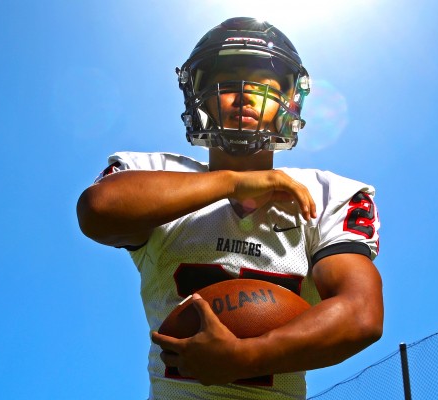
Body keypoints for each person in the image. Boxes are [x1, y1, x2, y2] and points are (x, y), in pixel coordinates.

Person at [77, 17, 383, 400]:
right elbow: (97, 210)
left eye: (264, 82)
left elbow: (361, 313)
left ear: (289, 102)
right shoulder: (154, 175)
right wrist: (233, 182)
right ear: (199, 96)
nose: (245, 94)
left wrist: (246, 357)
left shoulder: (327, 194)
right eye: (227, 80)